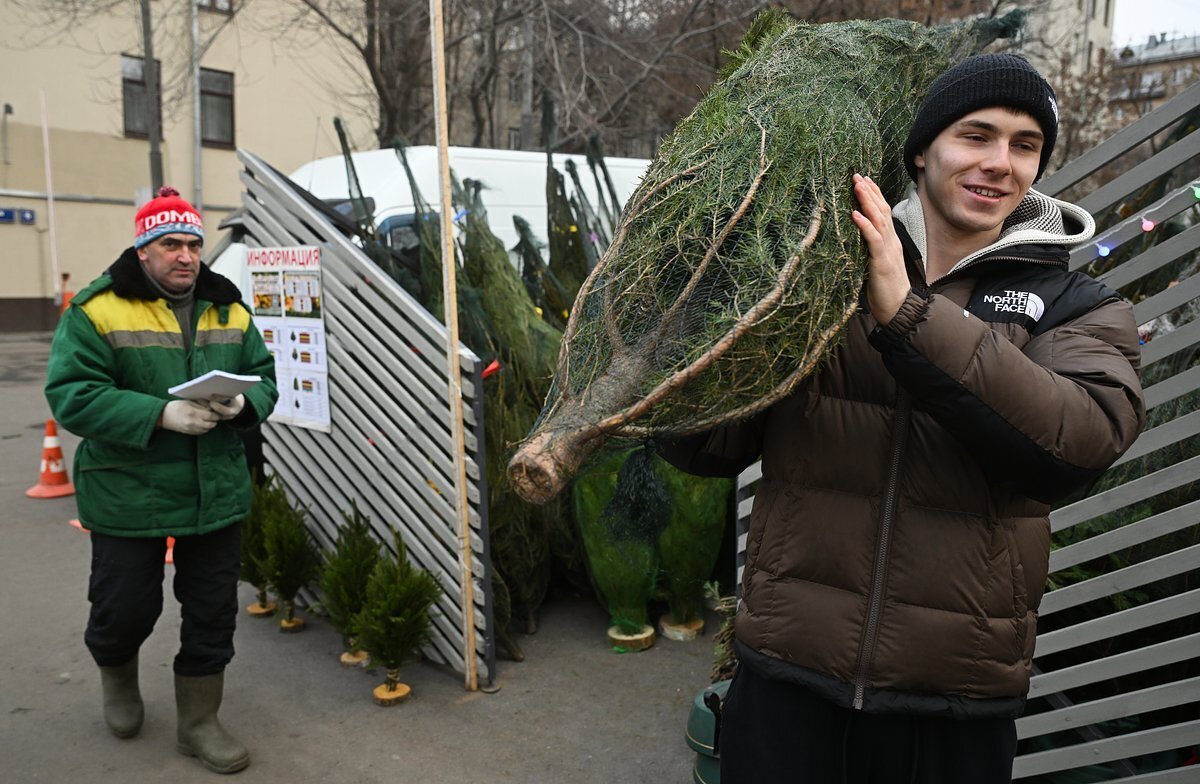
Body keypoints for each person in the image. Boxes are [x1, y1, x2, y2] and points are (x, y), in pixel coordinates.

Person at [657, 53, 1146, 782]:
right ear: (923, 149)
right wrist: (691, 320)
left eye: (1024, 145)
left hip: (951, 709)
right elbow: (705, 445)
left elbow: (1076, 442)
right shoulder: (822, 271)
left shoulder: (1077, 303)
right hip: (789, 682)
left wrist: (908, 318)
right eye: (975, 135)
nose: (998, 164)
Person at [45, 186, 278, 775]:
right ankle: (118, 679)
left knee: (211, 613)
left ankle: (199, 723)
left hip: (215, 490)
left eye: (194, 244)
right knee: (124, 607)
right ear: (143, 250)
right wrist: (159, 414)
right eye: (170, 244)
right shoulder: (96, 310)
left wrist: (242, 408)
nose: (186, 255)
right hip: (129, 491)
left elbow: (265, 377)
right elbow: (72, 396)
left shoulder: (229, 307)